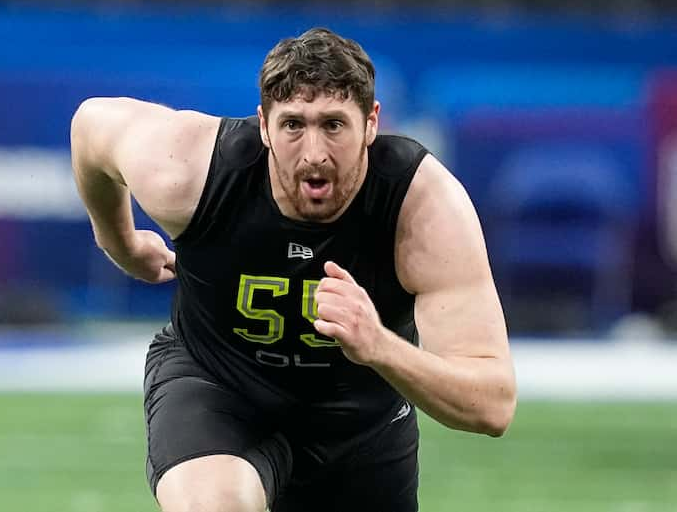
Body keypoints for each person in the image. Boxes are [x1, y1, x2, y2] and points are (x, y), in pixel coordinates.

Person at [70, 27, 516, 512]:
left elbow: (492, 404)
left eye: (334, 125)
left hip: (360, 421)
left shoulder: (422, 206)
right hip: (218, 386)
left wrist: (379, 345)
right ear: (263, 126)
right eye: (293, 125)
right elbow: (91, 127)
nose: (314, 154)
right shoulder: (190, 169)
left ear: (371, 123)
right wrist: (121, 244)